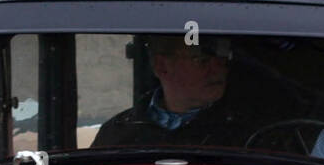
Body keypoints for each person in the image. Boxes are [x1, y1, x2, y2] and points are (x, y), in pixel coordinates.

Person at [92, 35, 255, 148]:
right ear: (161, 66)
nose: (218, 70)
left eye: (222, 61)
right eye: (202, 61)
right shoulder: (119, 131)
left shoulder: (249, 132)